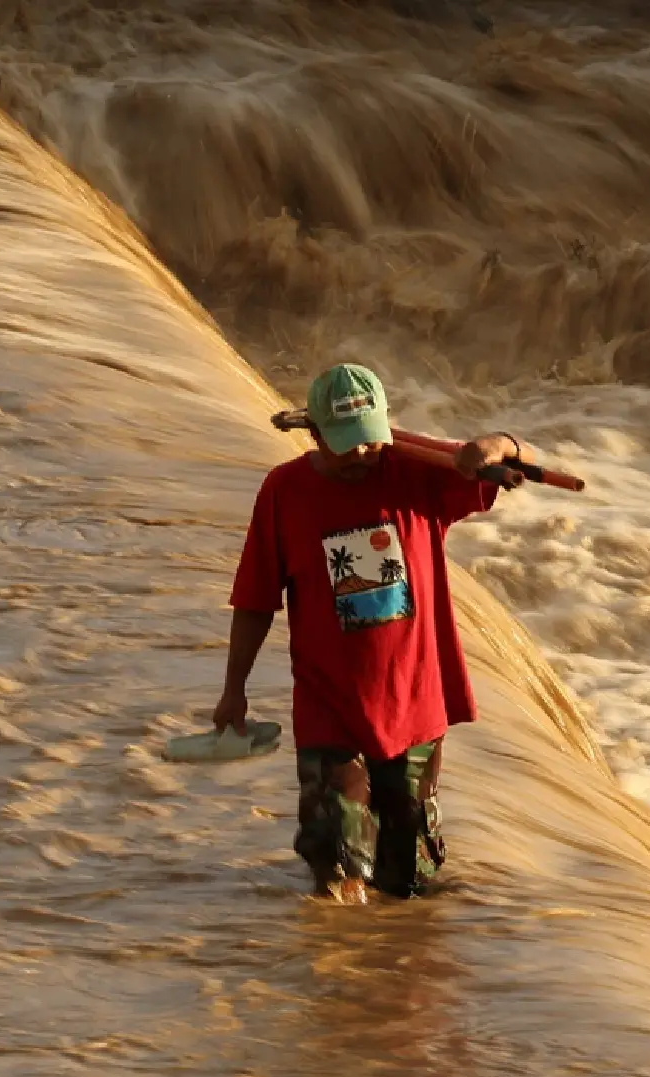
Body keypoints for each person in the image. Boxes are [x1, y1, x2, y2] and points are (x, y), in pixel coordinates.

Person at [213, 362, 540, 904]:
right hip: (330, 706)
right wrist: (233, 688)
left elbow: (519, 459)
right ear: (314, 434)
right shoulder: (285, 492)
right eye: (344, 445)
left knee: (407, 879)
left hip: (413, 703)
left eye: (368, 442)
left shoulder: (419, 476)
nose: (360, 456)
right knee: (335, 863)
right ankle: (341, 973)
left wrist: (498, 442)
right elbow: (254, 600)